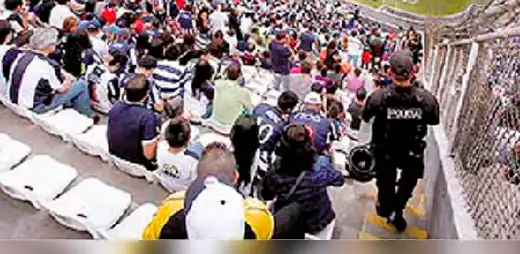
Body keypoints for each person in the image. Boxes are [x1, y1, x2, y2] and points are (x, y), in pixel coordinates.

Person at [362, 51, 440, 232]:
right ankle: (397, 211)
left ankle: (387, 207)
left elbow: (365, 117)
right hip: (411, 152)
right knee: (406, 186)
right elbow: (433, 120)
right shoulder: (426, 100)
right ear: (414, 72)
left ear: (390, 72)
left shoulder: (378, 97)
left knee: (385, 183)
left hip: (385, 151)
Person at [142, 144, 274, 239]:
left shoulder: (174, 205)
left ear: (197, 174)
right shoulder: (258, 214)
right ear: (235, 176)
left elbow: (149, 239)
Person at [260, 124, 345, 238]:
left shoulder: (275, 171)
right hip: (318, 222)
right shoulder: (321, 165)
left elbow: (266, 195)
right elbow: (339, 180)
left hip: (289, 225)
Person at [5, 27, 96, 120]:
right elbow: (62, 89)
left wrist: (63, 73)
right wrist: (68, 79)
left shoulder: (20, 55)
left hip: (14, 100)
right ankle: (86, 116)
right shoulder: (47, 66)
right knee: (81, 84)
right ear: (49, 46)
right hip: (35, 108)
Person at [107, 74, 161, 170]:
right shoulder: (148, 117)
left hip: (115, 155)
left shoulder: (115, 107)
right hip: (137, 164)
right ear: (146, 94)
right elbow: (148, 155)